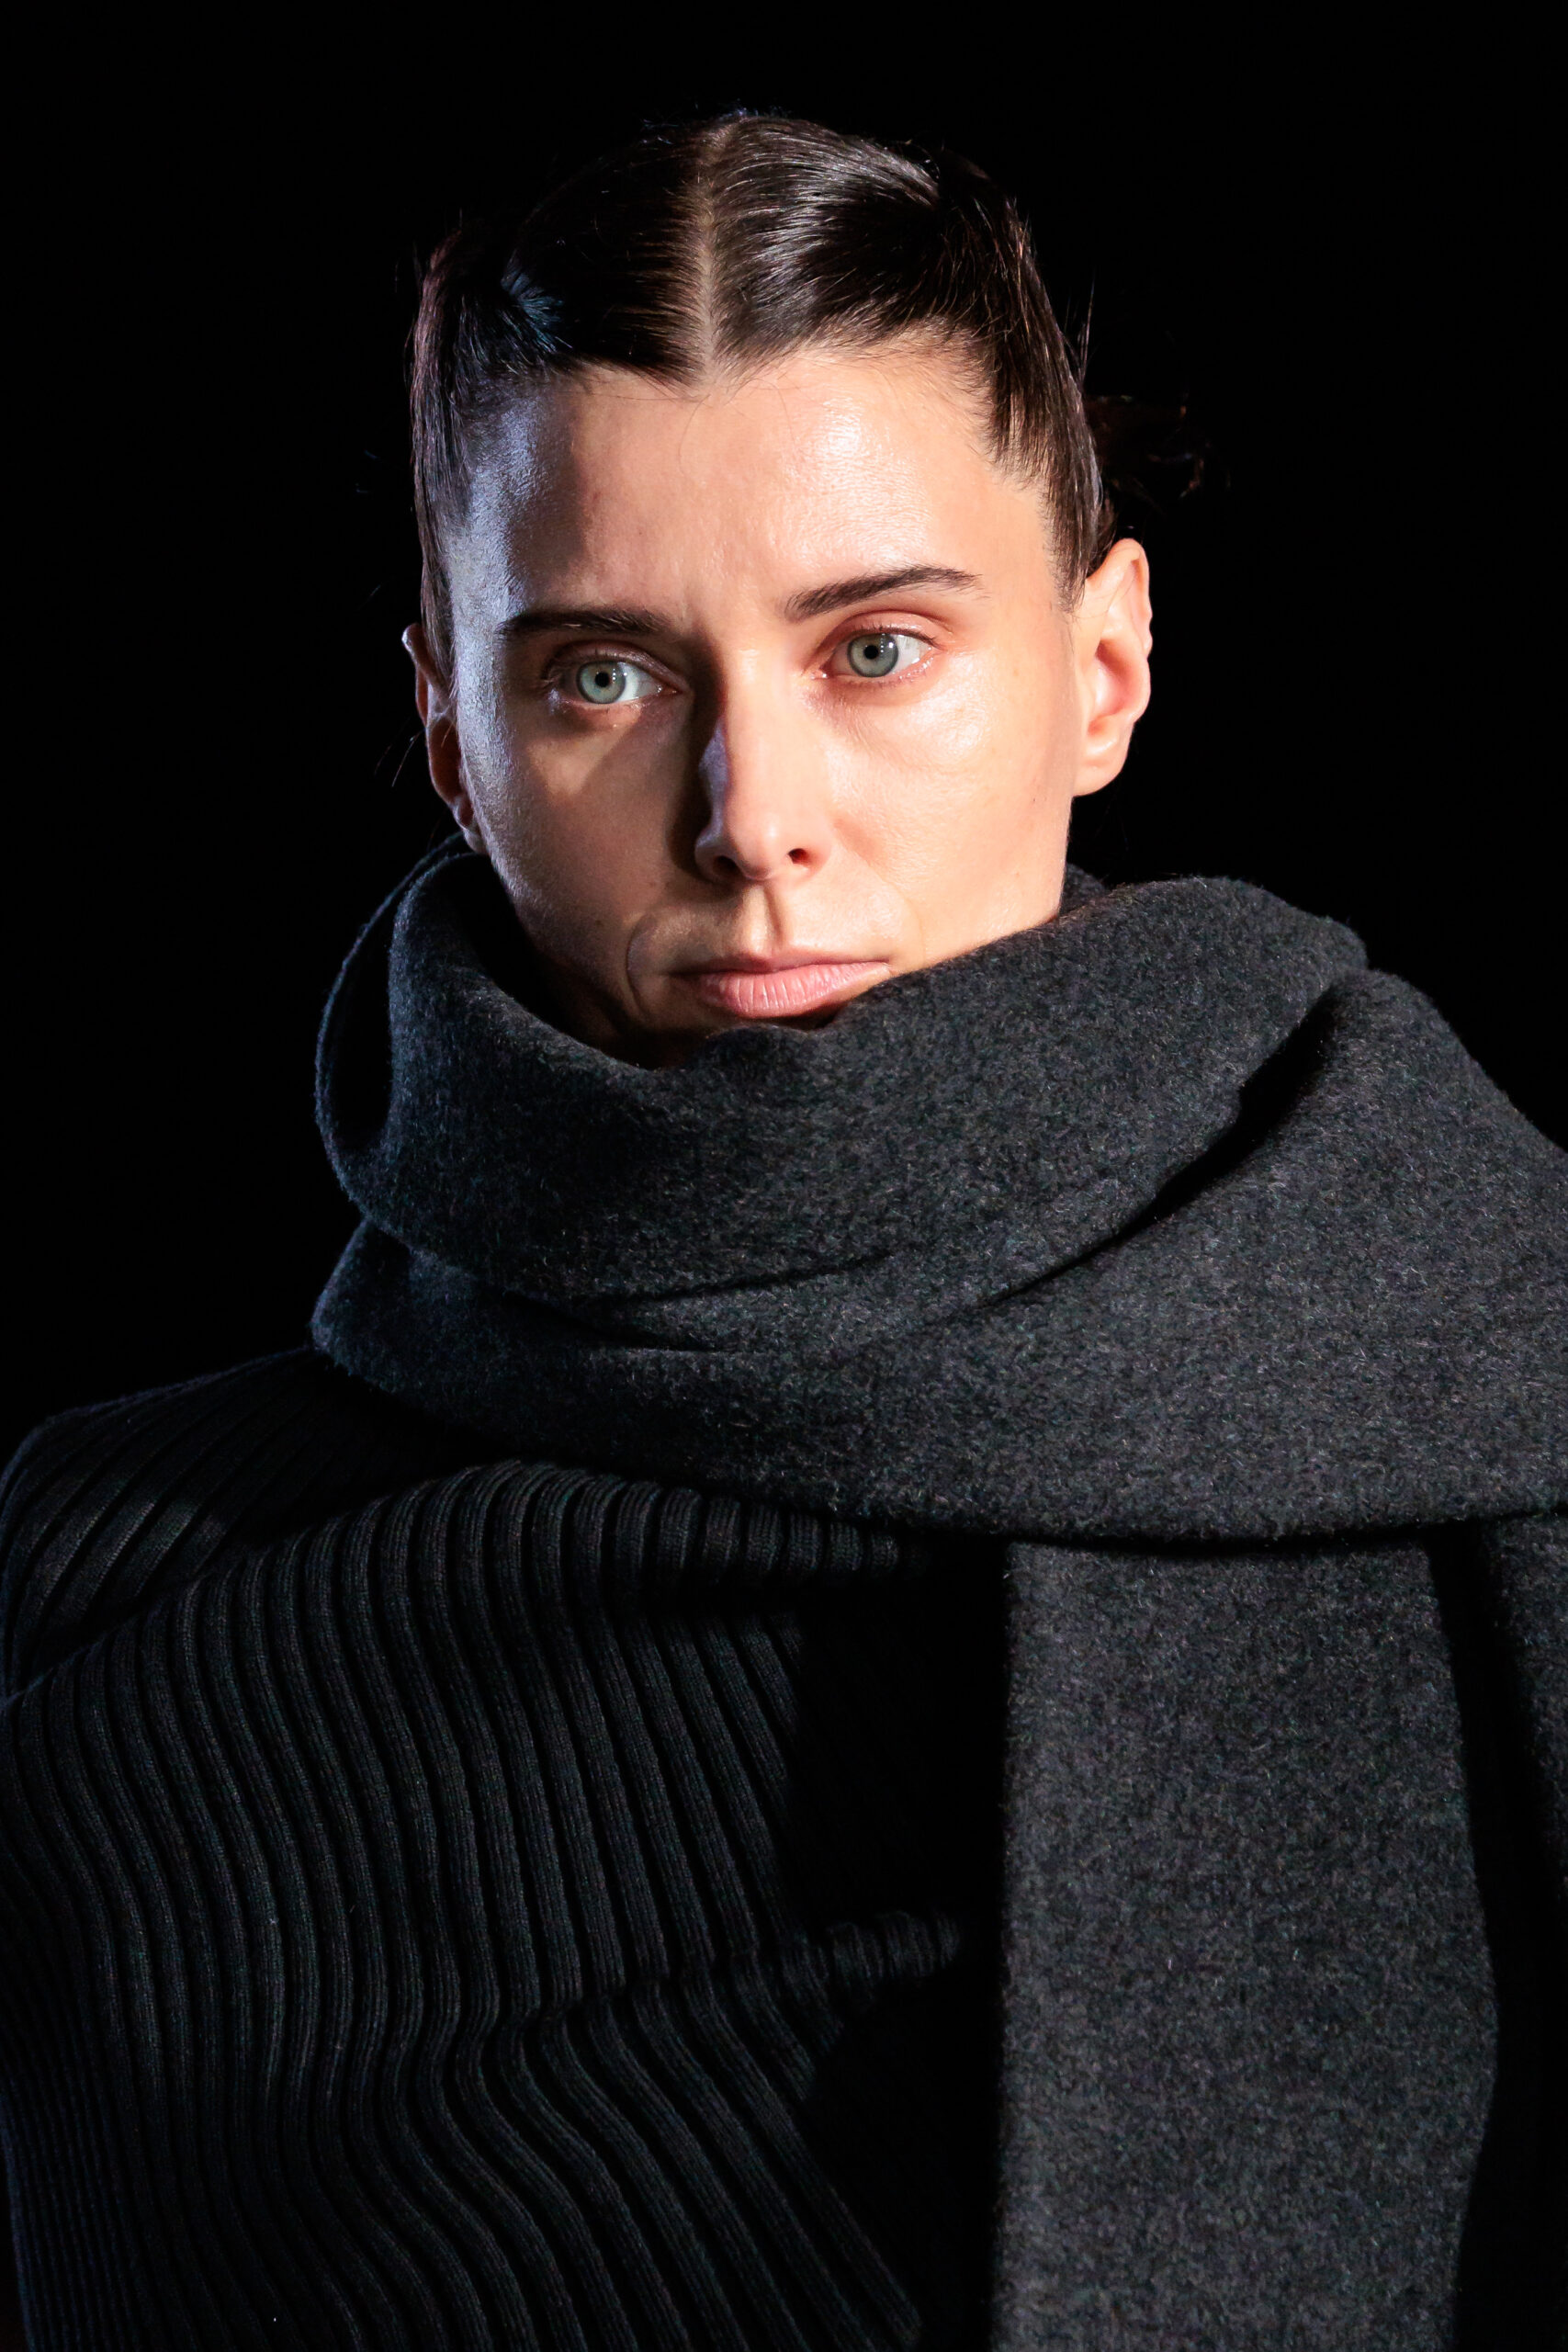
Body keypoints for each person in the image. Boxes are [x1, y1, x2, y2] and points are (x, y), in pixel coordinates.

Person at [0, 112, 1562, 2352]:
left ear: (1102, 668)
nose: (753, 819)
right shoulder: (124, 1602)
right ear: (448, 734)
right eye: (602, 677)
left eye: (876, 649)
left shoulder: (1504, 1381)